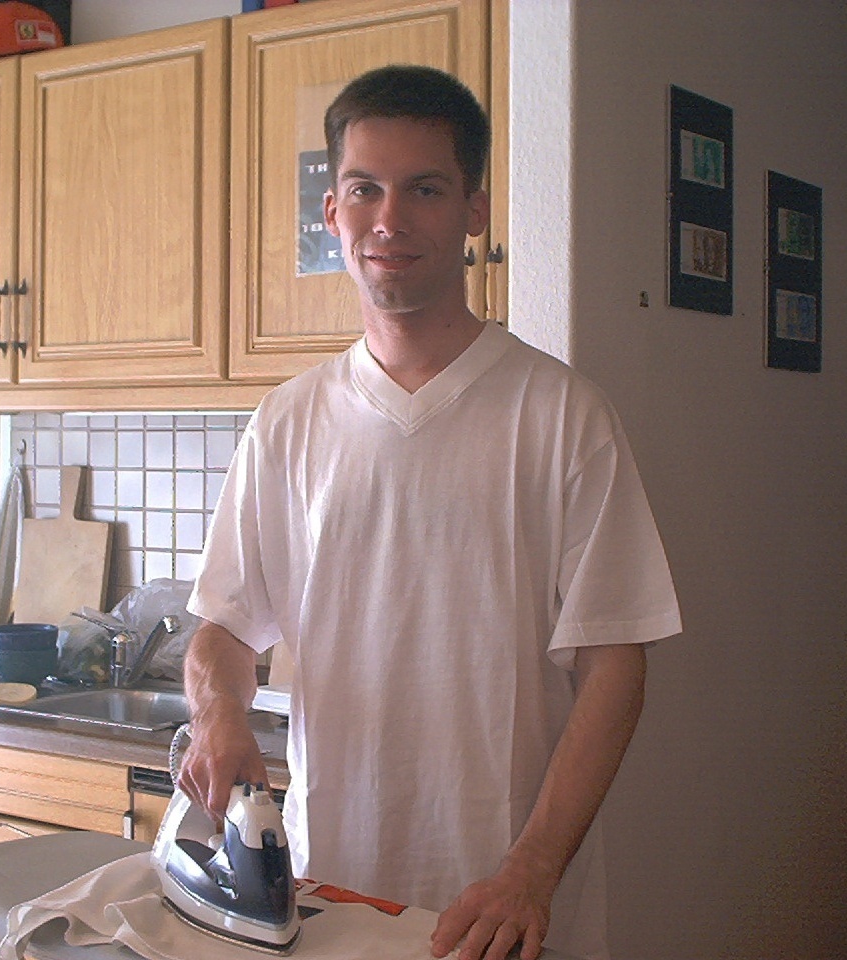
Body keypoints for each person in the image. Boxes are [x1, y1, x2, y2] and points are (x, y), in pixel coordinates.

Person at [180, 64, 681, 960]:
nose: (389, 220)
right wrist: (219, 714)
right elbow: (222, 627)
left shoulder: (562, 415)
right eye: (364, 189)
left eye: (425, 189)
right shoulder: (288, 423)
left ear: (474, 210)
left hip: (509, 909)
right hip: (332, 897)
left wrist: (530, 871)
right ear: (330, 211)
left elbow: (615, 669)